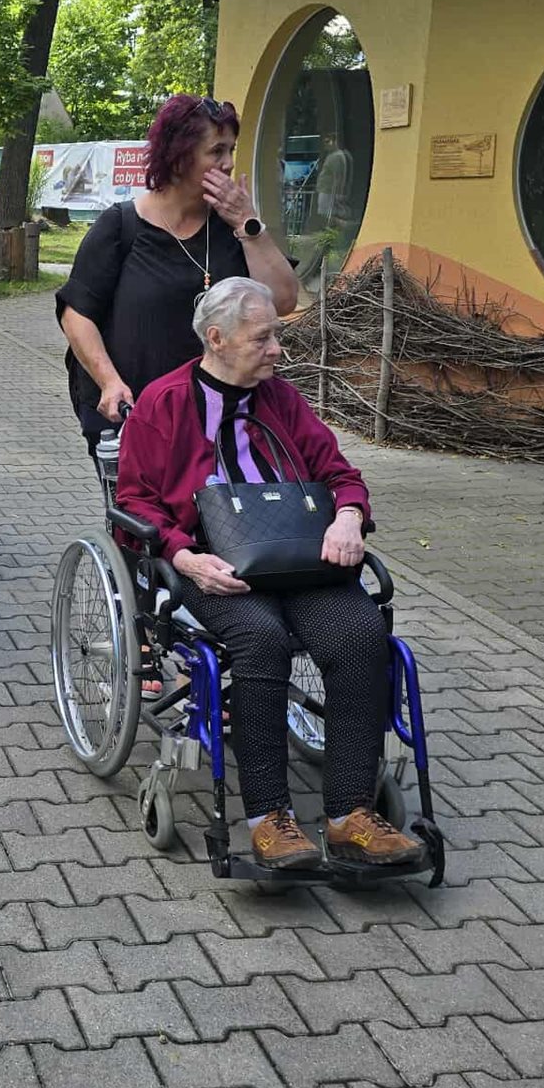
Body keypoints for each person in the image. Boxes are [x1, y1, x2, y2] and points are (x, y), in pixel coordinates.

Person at [116, 275, 422, 871]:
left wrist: (349, 518)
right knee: (261, 640)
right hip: (214, 563)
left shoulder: (280, 399)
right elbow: (135, 503)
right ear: (216, 339)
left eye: (276, 336)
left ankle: (350, 813)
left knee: (360, 635)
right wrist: (183, 556)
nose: (277, 350)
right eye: (263, 338)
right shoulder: (165, 401)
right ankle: (268, 819)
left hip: (299, 556)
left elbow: (338, 472)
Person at [56, 95, 298, 453]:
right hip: (132, 414)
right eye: (216, 151)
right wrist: (109, 382)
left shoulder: (234, 230)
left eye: (231, 149)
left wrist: (248, 225)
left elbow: (283, 301)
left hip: (220, 418)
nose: (229, 163)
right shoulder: (121, 226)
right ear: (179, 156)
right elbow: (77, 314)